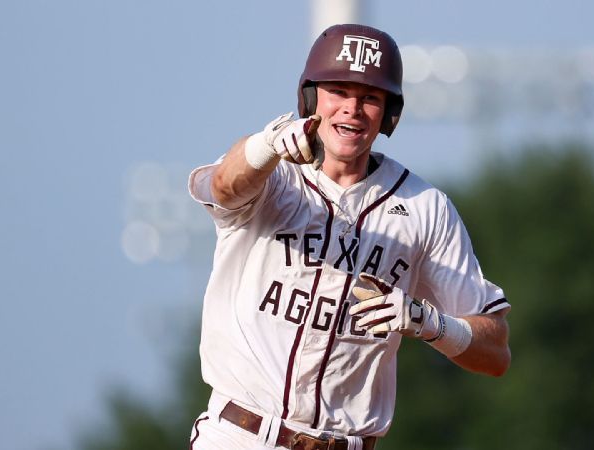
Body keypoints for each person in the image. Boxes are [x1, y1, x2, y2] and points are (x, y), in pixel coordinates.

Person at [187, 23, 511, 450]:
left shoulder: (424, 207)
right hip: (239, 435)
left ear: (389, 111)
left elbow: (496, 352)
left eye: (370, 97)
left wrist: (431, 324)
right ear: (310, 97)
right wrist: (266, 146)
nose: (352, 110)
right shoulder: (274, 176)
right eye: (338, 90)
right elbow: (225, 186)